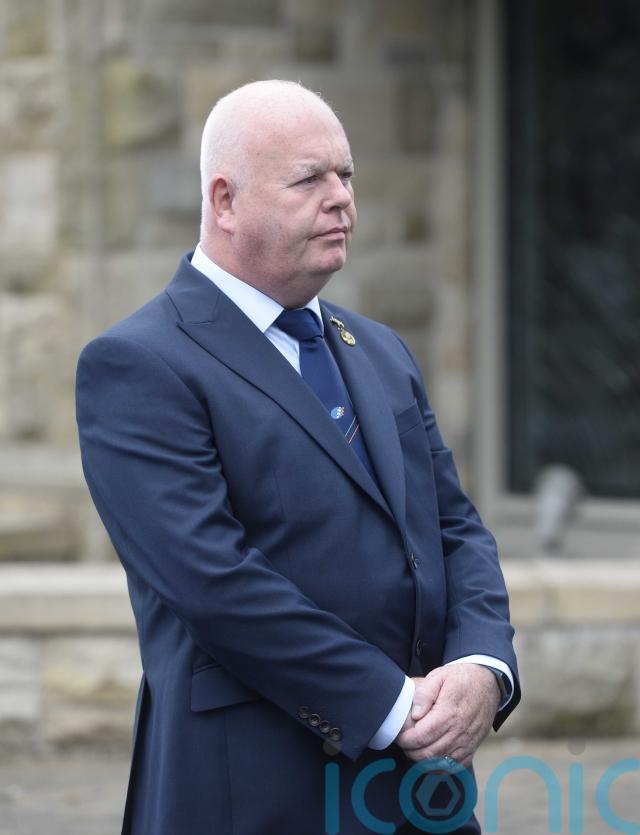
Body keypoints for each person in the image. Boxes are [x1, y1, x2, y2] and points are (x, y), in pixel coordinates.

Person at [76, 79, 520, 834]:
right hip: (253, 792)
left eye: (346, 174)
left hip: (422, 795)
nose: (341, 198)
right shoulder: (139, 364)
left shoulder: (380, 350)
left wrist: (484, 665)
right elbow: (213, 581)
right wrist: (394, 705)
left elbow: (455, 530)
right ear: (225, 201)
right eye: (309, 178)